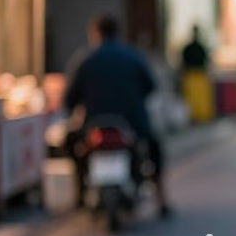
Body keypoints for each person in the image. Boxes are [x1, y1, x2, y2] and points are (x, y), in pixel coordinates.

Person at [65, 14, 171, 216]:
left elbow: (69, 99)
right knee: (153, 148)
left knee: (70, 143)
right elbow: (150, 87)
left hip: (93, 124)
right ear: (118, 33)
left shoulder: (85, 59)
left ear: (95, 34)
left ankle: (80, 192)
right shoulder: (134, 56)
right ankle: (161, 198)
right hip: (133, 123)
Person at [180, 25, 214, 124]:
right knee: (193, 98)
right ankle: (195, 116)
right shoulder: (193, 48)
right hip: (193, 75)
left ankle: (200, 116)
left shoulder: (197, 48)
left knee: (198, 98)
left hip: (197, 75)